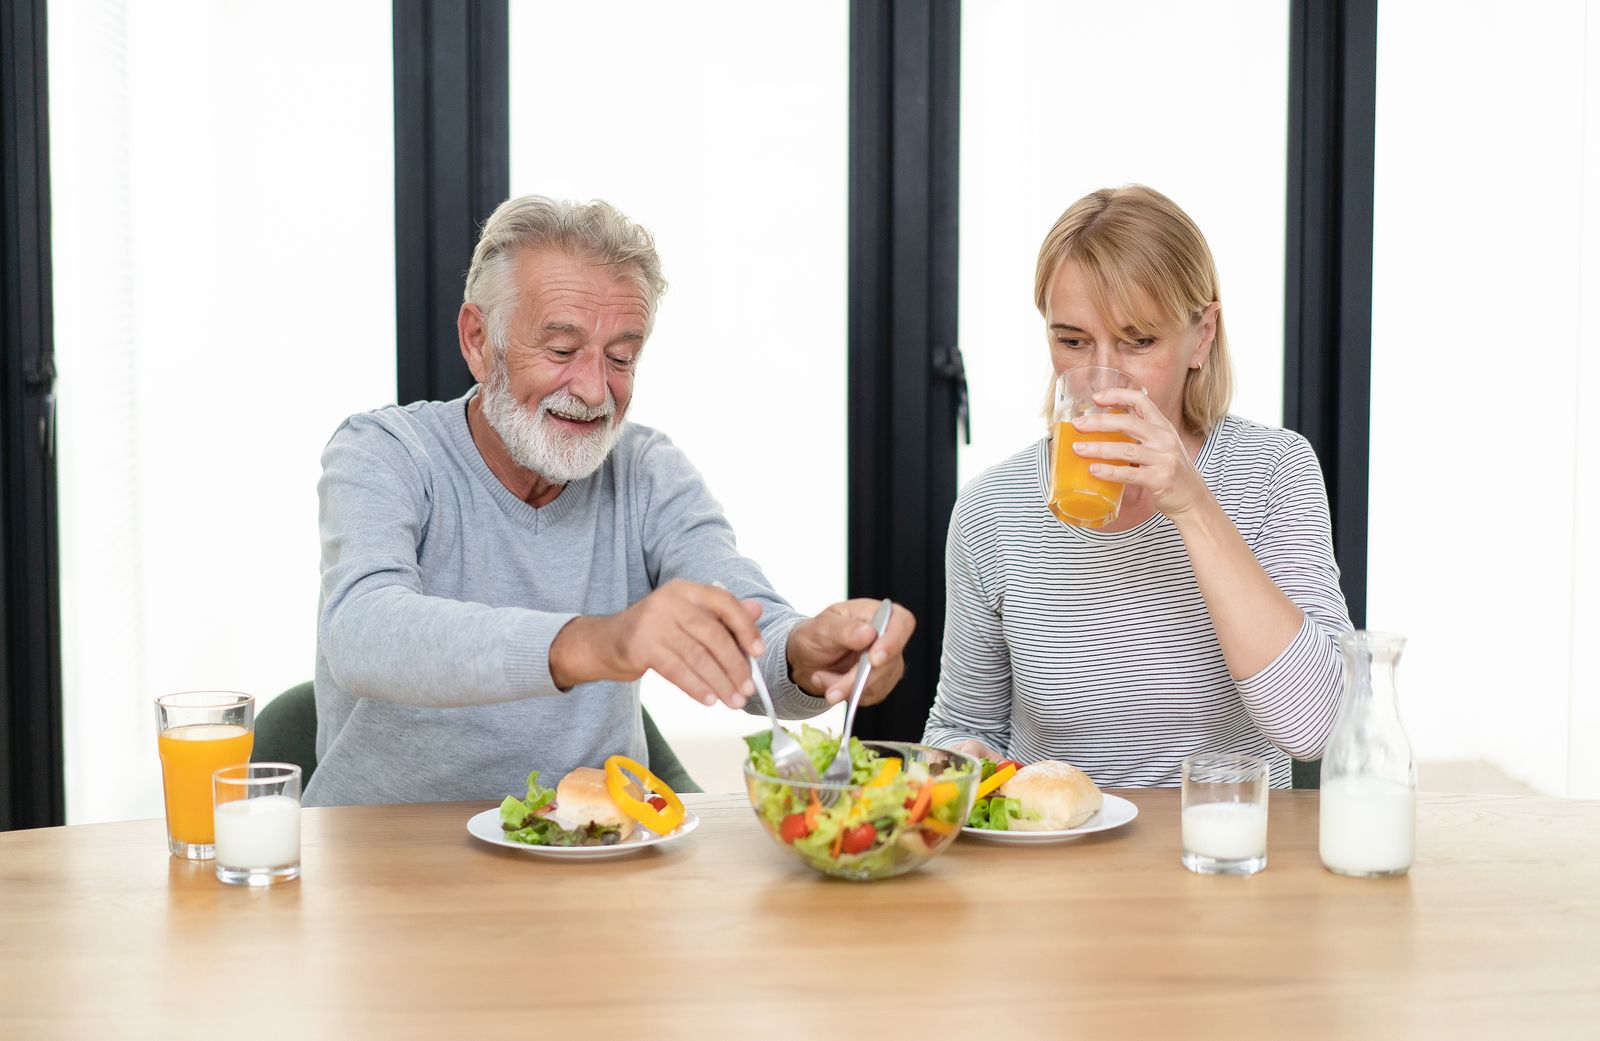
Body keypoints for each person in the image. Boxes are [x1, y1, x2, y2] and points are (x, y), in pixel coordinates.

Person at [306, 195, 913, 806]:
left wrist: (808, 655)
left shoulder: (647, 471)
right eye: (562, 350)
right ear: (477, 339)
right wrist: (598, 642)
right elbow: (362, 631)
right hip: (382, 858)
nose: (597, 390)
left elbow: (746, 618)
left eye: (622, 357)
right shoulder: (385, 450)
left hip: (587, 852)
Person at [923, 185, 1352, 787]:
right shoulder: (993, 509)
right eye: (1072, 341)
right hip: (1058, 865)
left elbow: (1318, 726)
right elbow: (961, 724)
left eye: (1139, 340)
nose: (1103, 379)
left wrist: (1194, 505)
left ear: (1201, 335)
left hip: (1223, 858)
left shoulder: (1273, 471)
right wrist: (964, 758)